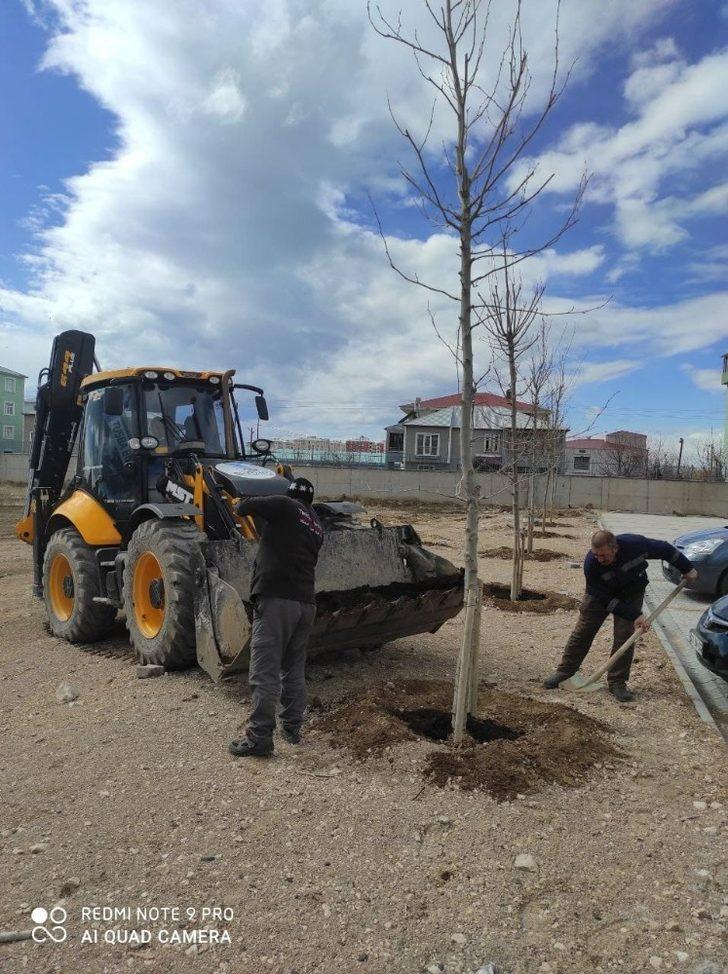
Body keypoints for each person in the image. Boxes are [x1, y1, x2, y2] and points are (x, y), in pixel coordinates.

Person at [229, 477, 324, 757]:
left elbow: (245, 507)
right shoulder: (317, 524)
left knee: (264, 670)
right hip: (305, 604)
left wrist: (236, 501)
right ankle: (292, 728)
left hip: (276, 601)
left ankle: (259, 738)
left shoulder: (283, 505)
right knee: (293, 668)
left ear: (290, 494)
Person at [543, 529, 697, 702]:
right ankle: (565, 672)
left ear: (615, 548)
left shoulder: (635, 545)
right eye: (596, 555)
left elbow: (665, 549)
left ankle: (617, 682)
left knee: (625, 636)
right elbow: (604, 599)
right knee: (583, 630)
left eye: (603, 555)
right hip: (601, 595)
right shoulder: (591, 564)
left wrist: (688, 568)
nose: (599, 559)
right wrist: (634, 615)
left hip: (632, 591)